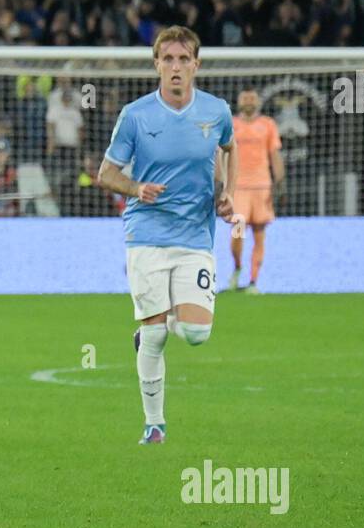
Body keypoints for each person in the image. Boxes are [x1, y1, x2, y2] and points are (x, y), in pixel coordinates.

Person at [97, 25, 237, 445]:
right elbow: (106, 174)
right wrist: (136, 188)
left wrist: (225, 192)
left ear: (196, 64)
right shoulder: (136, 116)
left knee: (196, 334)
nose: (175, 67)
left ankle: (155, 326)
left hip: (195, 236)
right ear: (156, 64)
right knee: (156, 334)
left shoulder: (217, 112)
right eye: (168, 59)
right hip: (146, 236)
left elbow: (228, 148)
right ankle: (154, 424)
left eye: (183, 59)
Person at [228, 87, 283, 292]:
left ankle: (253, 281)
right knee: (238, 232)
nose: (249, 101)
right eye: (245, 98)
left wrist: (280, 182)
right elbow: (221, 154)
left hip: (262, 187)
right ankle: (237, 267)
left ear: (257, 101)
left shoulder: (267, 125)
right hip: (239, 187)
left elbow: (274, 154)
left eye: (252, 98)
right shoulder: (231, 125)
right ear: (239, 101)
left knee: (259, 233)